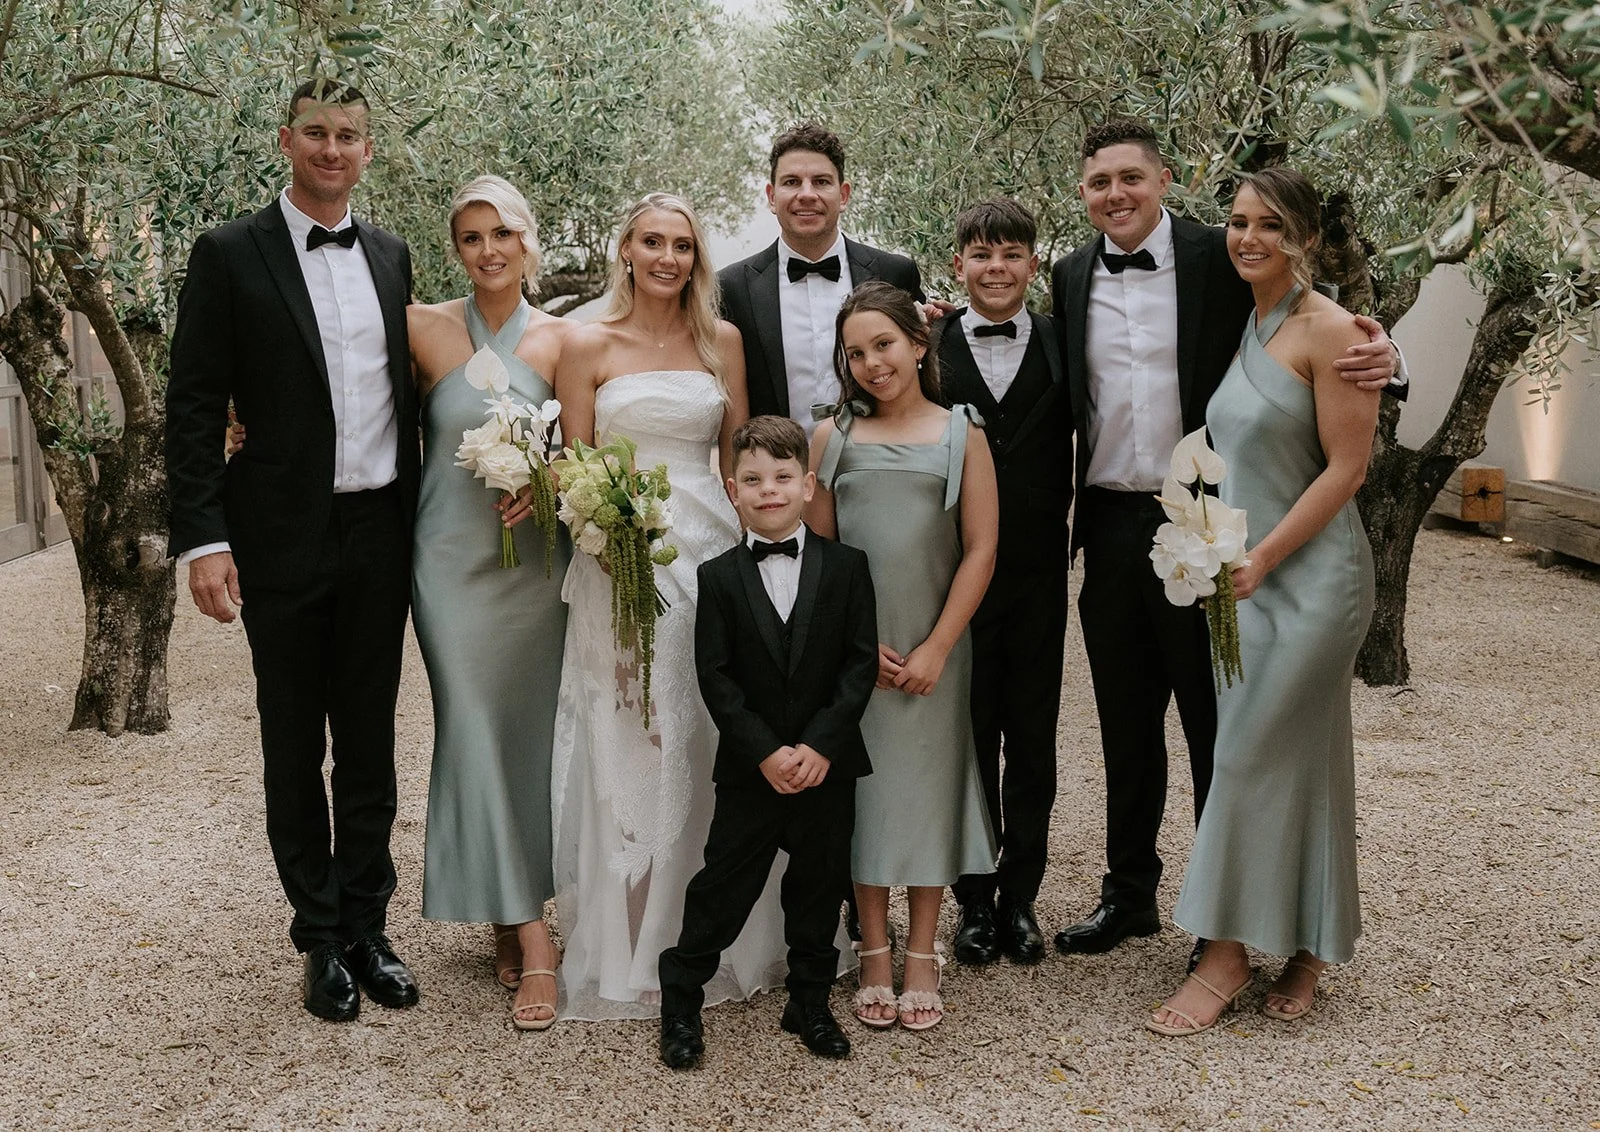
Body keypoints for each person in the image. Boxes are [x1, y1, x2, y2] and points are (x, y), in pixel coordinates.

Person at [1049, 121, 1402, 962]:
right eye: (1099, 182)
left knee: (1221, 725)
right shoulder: (1065, 277)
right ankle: (1128, 895)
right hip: (1107, 523)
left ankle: (1223, 922)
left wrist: (1389, 355)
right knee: (1124, 726)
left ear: (1166, 179)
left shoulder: (1224, 253)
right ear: (1083, 192)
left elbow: (1322, 331)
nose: (1116, 195)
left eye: (1131, 177)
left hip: (1206, 530)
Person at [166, 79, 420, 1022]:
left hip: (380, 529)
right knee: (290, 738)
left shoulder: (392, 256)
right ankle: (316, 936)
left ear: (366, 147)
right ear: (286, 141)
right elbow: (194, 403)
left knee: (369, 740)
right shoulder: (230, 253)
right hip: (277, 534)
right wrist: (204, 537)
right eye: (315, 132)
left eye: (349, 134)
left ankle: (367, 924)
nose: (332, 148)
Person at [1148, 168, 1379, 1035]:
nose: (1248, 238)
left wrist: (1262, 558)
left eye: (1270, 225)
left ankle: (1229, 950)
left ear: (1307, 238)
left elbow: (1348, 471)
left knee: (1244, 758)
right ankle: (1314, 943)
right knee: (1305, 758)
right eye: (1238, 221)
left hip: (1311, 581)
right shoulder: (1249, 318)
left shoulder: (1338, 334)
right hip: (1241, 580)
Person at [550, 192, 789, 1020]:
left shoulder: (719, 340)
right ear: (624, 248)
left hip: (711, 553)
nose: (666, 257)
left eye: (681, 245)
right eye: (651, 241)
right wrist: (608, 536)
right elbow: (571, 468)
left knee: (707, 729)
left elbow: (738, 459)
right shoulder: (584, 344)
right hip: (621, 558)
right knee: (634, 732)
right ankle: (631, 943)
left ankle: (710, 931)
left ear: (697, 257)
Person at [657, 416, 879, 1069]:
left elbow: (858, 665)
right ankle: (681, 996)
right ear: (733, 489)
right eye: (753, 479)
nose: (769, 490)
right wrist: (765, 751)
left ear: (808, 485)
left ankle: (809, 999)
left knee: (817, 888)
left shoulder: (847, 568)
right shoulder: (720, 577)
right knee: (722, 887)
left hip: (825, 768)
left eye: (783, 477)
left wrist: (818, 746)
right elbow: (716, 678)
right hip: (752, 771)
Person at [808, 281, 999, 1032]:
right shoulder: (832, 438)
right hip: (857, 652)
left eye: (883, 344)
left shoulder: (963, 434)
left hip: (935, 648)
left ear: (920, 345)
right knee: (866, 794)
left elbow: (982, 549)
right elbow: (817, 555)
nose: (871, 362)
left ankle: (923, 949)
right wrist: (849, 646)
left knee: (926, 787)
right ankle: (874, 950)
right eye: (855, 352)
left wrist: (937, 647)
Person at [407, 175, 573, 1031]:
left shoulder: (563, 339)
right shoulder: (421, 327)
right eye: (471, 238)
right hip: (446, 565)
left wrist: (547, 481)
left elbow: (585, 452)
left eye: (501, 234)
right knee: (468, 726)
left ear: (527, 240)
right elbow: (340, 401)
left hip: (536, 570)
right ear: (457, 250)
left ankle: (513, 910)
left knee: (527, 737)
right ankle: (536, 942)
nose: (488, 251)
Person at [932, 199, 1071, 968]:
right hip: (953, 575)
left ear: (1032, 264)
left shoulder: (1060, 338)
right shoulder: (927, 345)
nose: (996, 268)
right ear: (959, 266)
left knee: (1034, 739)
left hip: (1040, 574)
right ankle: (974, 901)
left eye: (1011, 255)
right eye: (981, 255)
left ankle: (1023, 898)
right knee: (968, 735)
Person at [719, 123, 926, 434]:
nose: (806, 194)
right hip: (777, 475)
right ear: (772, 196)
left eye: (821, 182)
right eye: (792, 182)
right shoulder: (731, 288)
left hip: (878, 468)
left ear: (843, 195)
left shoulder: (895, 273)